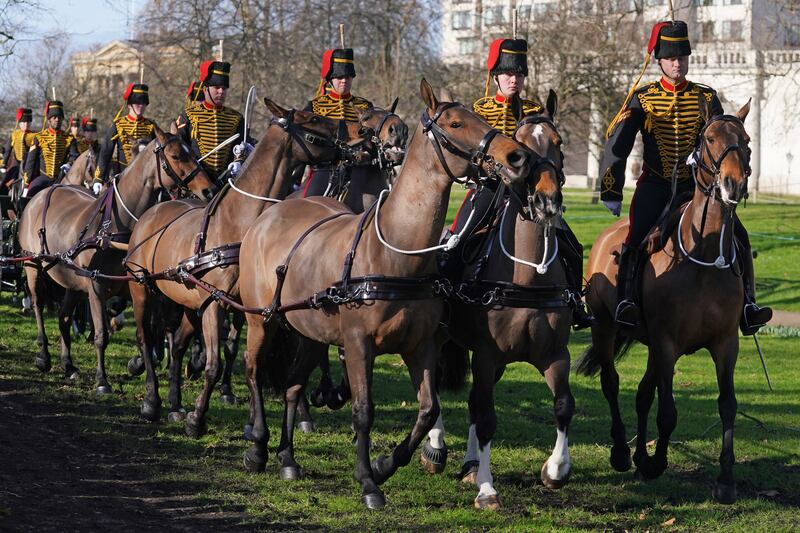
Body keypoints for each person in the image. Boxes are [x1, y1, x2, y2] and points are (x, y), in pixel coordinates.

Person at [599, 20, 771, 334]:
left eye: (682, 57)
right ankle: (626, 302)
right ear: (659, 60)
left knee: (740, 237)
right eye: (670, 57)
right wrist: (611, 190)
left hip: (696, 187)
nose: (677, 63)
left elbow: (720, 136)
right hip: (655, 184)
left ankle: (748, 304)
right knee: (635, 236)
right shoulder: (643, 98)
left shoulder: (706, 97)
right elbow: (618, 145)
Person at [448, 37, 593, 329]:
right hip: (490, 189)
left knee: (573, 246)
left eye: (519, 74)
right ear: (496, 77)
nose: (514, 80)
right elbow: (473, 152)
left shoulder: (534, 110)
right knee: (457, 241)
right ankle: (449, 304)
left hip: (528, 192)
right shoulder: (480, 108)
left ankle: (575, 302)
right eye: (508, 74)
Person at [300, 47, 373, 197]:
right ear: (330, 79)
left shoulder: (365, 106)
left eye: (348, 76)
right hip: (326, 169)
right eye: (339, 77)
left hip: (360, 170)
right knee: (309, 205)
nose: (344, 80)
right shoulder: (315, 106)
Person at [176, 61, 250, 183]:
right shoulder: (188, 115)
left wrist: (239, 162)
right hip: (197, 181)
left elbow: (245, 145)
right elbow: (179, 148)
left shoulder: (236, 118)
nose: (221, 92)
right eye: (217, 88)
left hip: (228, 180)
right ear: (205, 89)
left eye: (224, 88)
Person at [93, 83, 156, 194]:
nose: (140, 106)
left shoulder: (151, 125)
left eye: (143, 103)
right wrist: (98, 178)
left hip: (147, 178)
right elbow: (106, 152)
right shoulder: (118, 124)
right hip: (122, 176)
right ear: (129, 104)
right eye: (137, 103)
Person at [23, 100, 75, 197]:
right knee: (29, 194)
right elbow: (30, 162)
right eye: (54, 117)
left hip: (61, 178)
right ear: (49, 120)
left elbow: (74, 156)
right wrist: (26, 184)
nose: (57, 119)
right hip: (44, 178)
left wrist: (69, 164)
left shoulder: (69, 139)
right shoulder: (38, 137)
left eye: (59, 117)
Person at [3, 107, 35, 190]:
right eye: (23, 122)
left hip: (29, 164)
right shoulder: (14, 134)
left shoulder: (35, 136)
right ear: (19, 123)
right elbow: (8, 150)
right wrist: (4, 163)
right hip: (16, 163)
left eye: (28, 122)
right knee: (5, 182)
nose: (26, 124)